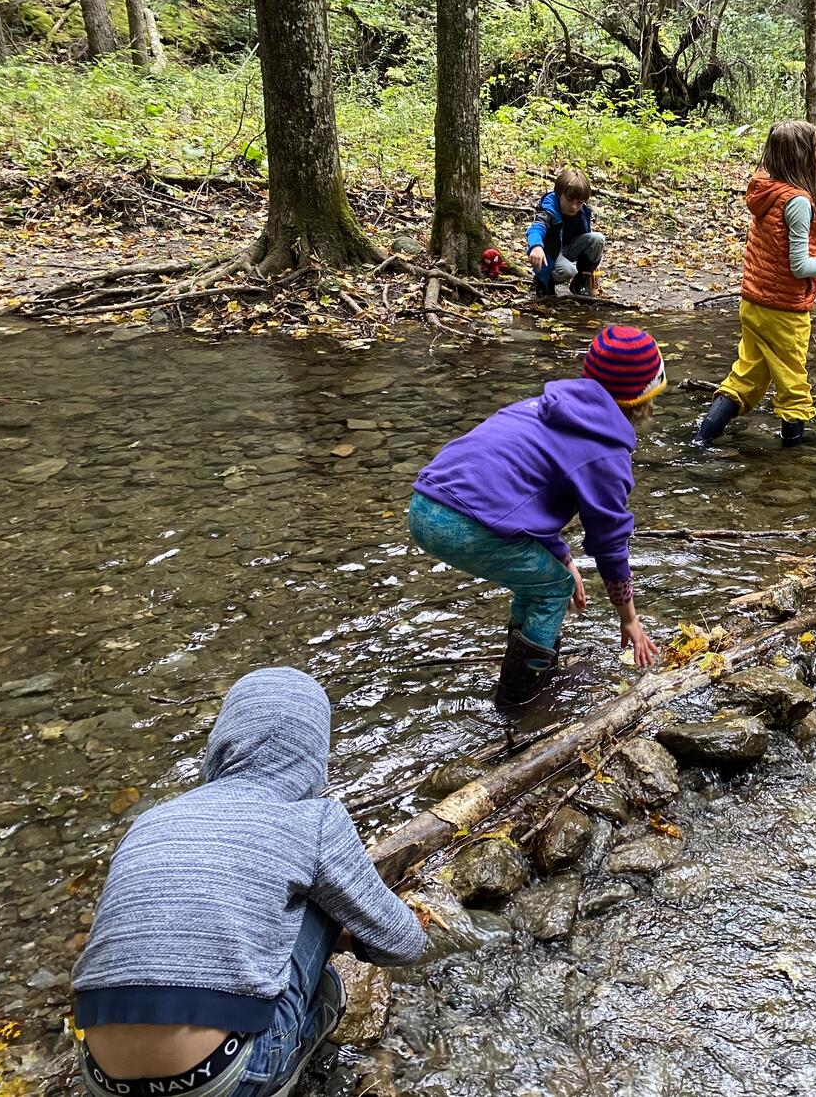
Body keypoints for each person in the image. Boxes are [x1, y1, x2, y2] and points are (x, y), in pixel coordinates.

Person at [71, 667, 428, 1097]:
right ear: (314, 750)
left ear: (223, 739)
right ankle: (291, 1057)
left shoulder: (152, 819)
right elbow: (404, 942)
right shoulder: (311, 819)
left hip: (102, 1077)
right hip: (218, 1077)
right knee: (323, 902)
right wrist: (350, 938)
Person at [409, 326, 664, 702]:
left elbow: (518, 495)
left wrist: (562, 556)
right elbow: (609, 542)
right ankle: (520, 699)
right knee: (555, 588)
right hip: (463, 522)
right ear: (644, 397)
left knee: (541, 581)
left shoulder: (543, 409)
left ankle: (529, 666)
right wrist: (629, 618)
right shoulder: (606, 453)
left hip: (425, 503)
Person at [694, 120, 816, 448]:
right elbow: (800, 267)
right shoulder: (797, 202)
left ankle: (701, 440)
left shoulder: (767, 189)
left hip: (754, 302)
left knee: (746, 375)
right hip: (783, 309)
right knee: (793, 383)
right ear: (801, 157)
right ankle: (793, 461)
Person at [527, 167, 604, 298]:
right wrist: (536, 246)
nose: (574, 206)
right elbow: (536, 228)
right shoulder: (548, 209)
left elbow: (586, 239)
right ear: (559, 194)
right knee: (568, 271)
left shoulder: (582, 211)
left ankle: (580, 283)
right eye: (569, 200)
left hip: (569, 248)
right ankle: (544, 282)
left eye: (579, 202)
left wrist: (591, 272)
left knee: (598, 239)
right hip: (550, 253)